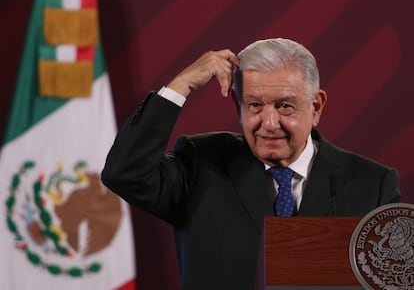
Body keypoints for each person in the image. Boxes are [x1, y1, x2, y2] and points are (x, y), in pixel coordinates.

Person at [101, 38, 400, 290]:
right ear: (238, 107)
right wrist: (180, 85)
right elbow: (124, 173)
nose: (269, 124)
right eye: (255, 105)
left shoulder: (372, 185)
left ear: (316, 106)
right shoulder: (202, 163)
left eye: (285, 105)